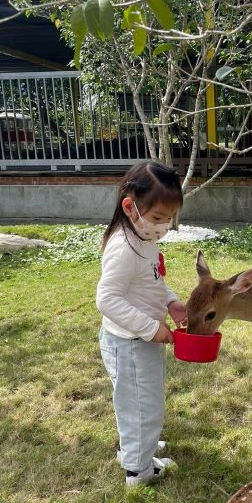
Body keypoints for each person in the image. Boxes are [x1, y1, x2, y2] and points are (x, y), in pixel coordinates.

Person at [96, 161, 186, 486]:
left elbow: (153, 281)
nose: (163, 226)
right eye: (158, 218)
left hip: (140, 342)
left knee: (138, 401)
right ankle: (139, 470)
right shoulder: (123, 248)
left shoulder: (144, 240)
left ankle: (138, 447)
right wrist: (151, 328)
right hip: (131, 343)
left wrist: (172, 303)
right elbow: (107, 299)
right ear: (130, 206)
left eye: (168, 219)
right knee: (143, 406)